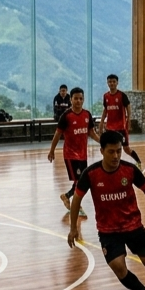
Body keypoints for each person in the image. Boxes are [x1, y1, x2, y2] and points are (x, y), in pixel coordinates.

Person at [67, 130, 145, 290]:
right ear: (101, 151)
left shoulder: (130, 170)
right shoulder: (90, 174)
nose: (116, 156)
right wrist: (73, 228)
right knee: (118, 267)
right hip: (108, 231)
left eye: (118, 151)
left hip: (134, 226)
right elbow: (76, 200)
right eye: (111, 152)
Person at [49, 87, 99, 218]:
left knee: (81, 182)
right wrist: (52, 150)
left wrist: (103, 143)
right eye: (75, 98)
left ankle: (66, 196)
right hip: (71, 155)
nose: (78, 101)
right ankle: (77, 206)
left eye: (81, 98)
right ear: (71, 99)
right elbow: (58, 134)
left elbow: (92, 133)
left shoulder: (87, 115)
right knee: (80, 182)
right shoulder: (66, 116)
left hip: (83, 155)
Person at [101, 74, 141, 164]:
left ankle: (138, 162)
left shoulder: (122, 95)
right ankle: (111, 163)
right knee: (109, 147)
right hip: (110, 128)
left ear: (117, 83)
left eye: (114, 81)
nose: (112, 83)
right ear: (107, 83)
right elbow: (105, 110)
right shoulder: (106, 96)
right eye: (110, 82)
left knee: (126, 148)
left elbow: (128, 106)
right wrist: (102, 122)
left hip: (121, 128)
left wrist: (129, 119)